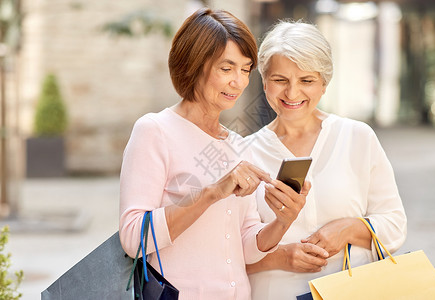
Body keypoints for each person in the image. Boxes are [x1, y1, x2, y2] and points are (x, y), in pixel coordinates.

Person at [119, 9, 310, 300]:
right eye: (226, 68)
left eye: (246, 69)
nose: (239, 81)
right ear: (194, 65)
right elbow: (134, 238)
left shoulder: (236, 143)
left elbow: (245, 245)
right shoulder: (155, 131)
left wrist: (283, 221)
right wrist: (211, 193)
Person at [245, 20, 407, 299]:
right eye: (280, 80)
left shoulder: (357, 137)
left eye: (306, 80)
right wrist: (280, 257)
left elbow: (395, 226)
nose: (292, 93)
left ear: (324, 83)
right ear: (264, 81)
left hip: (354, 292)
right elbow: (225, 253)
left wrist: (349, 229)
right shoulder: (244, 153)